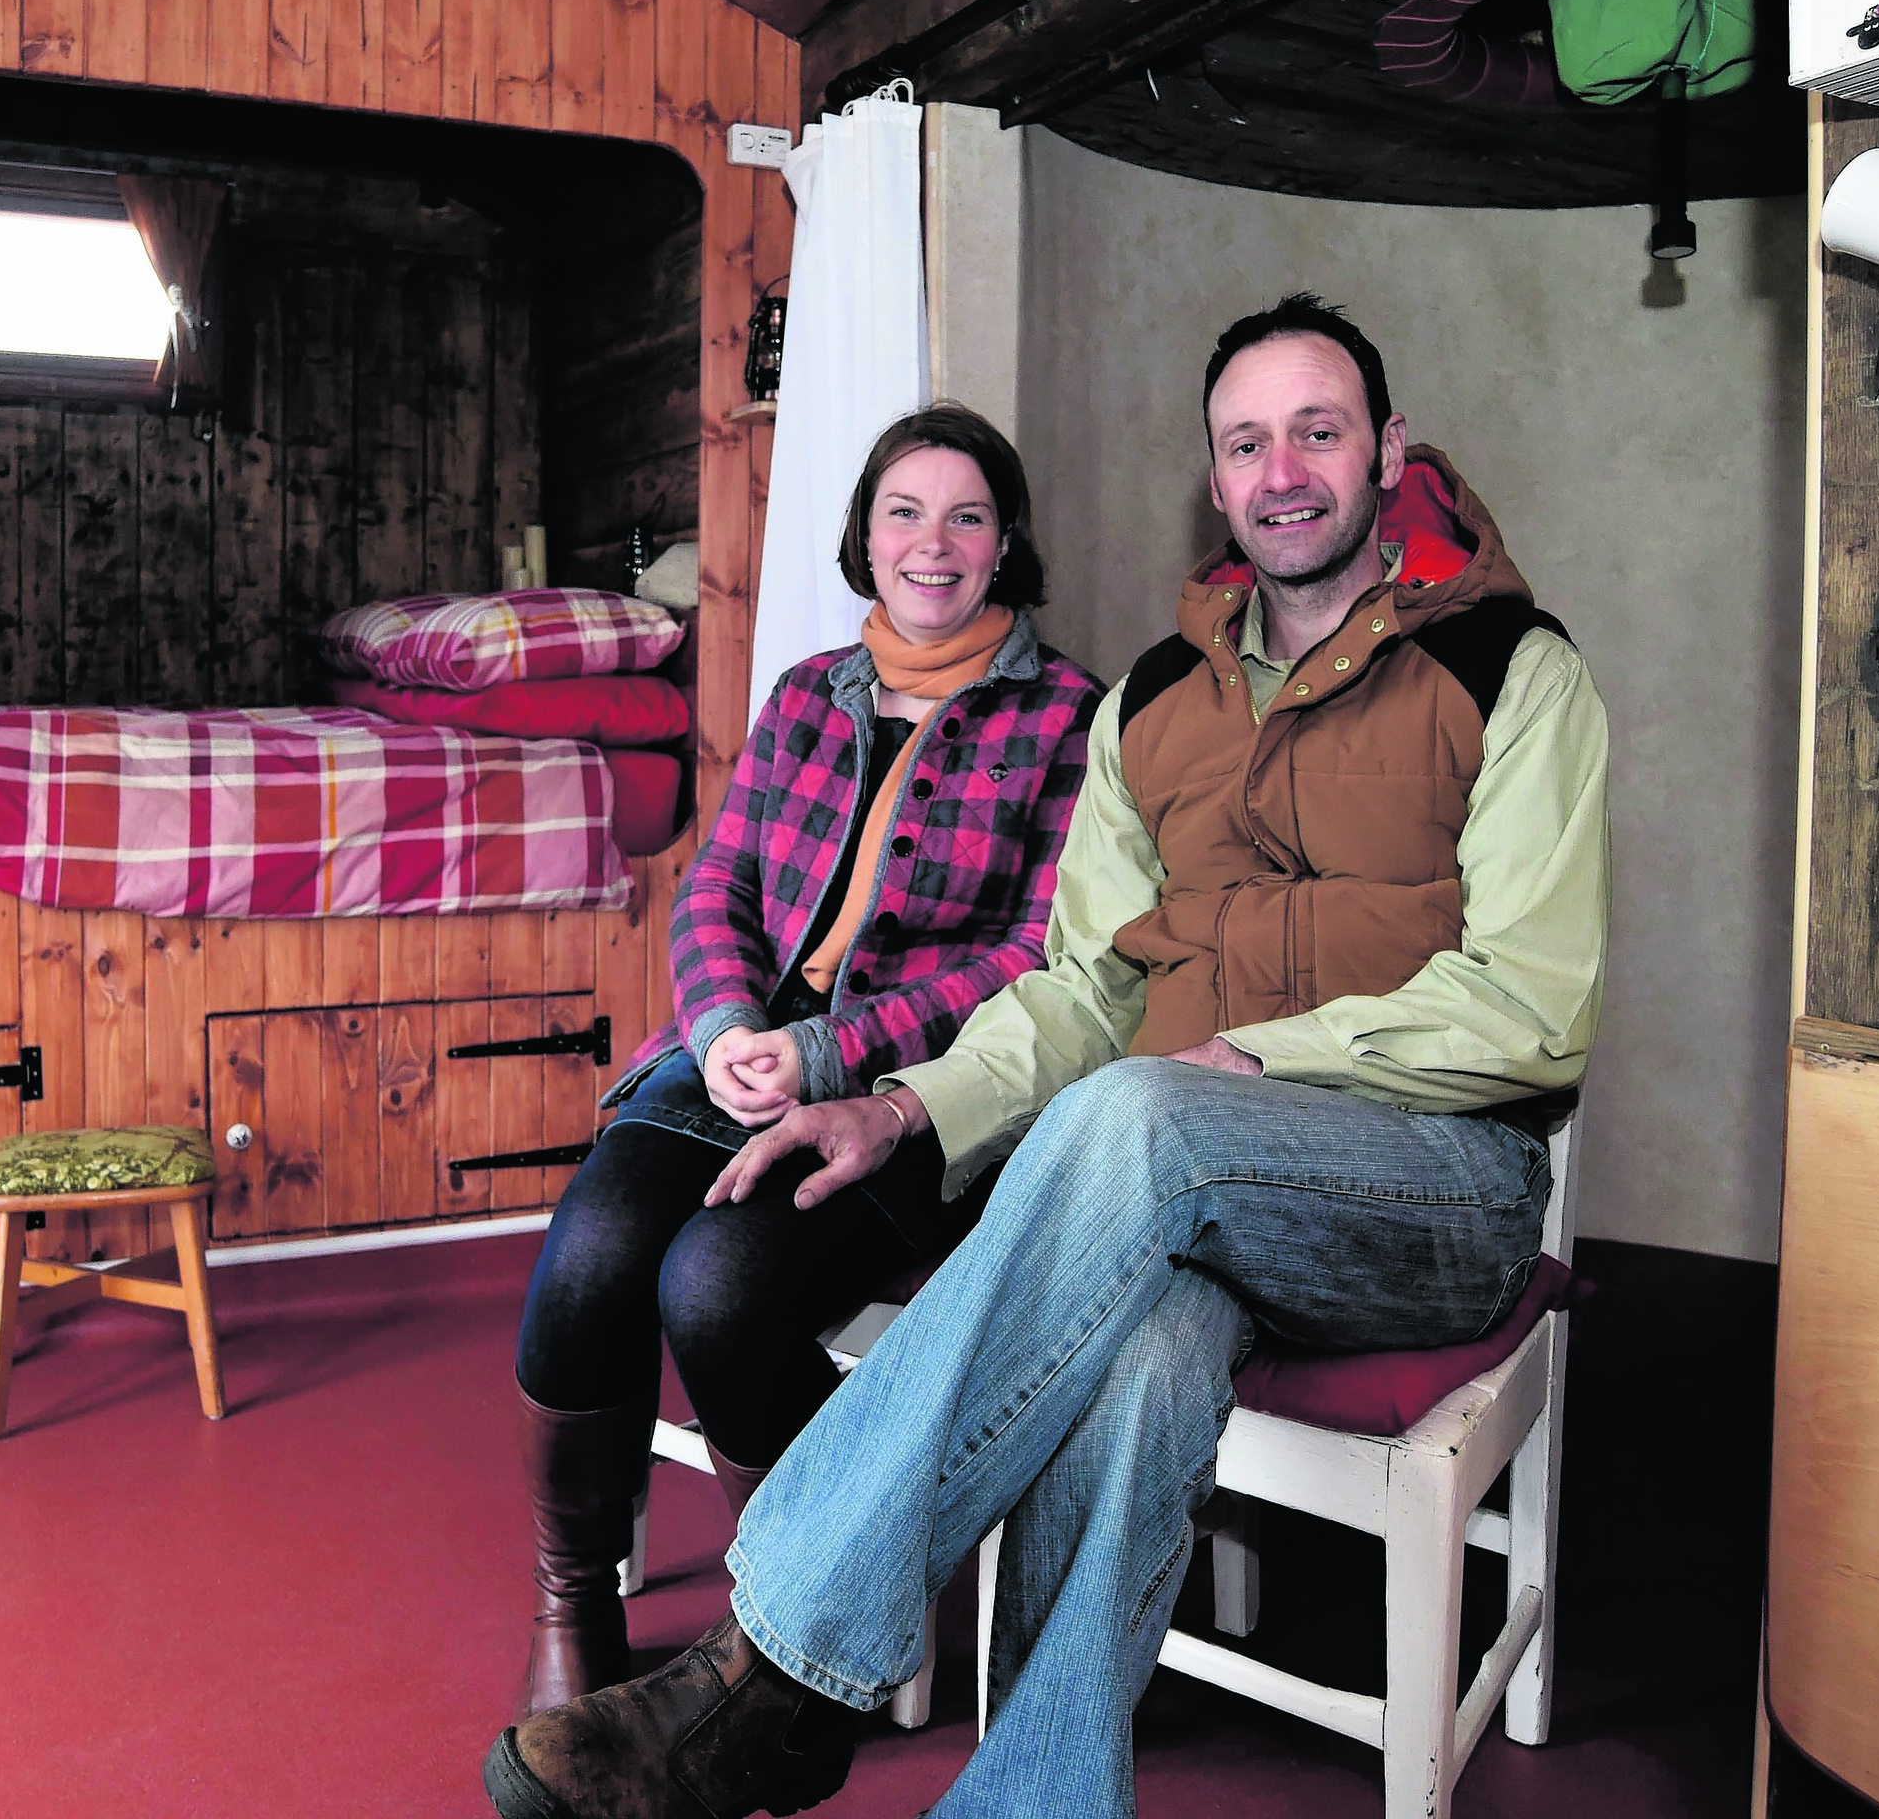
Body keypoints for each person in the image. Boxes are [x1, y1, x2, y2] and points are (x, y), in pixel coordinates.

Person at [484, 295, 1610, 1819]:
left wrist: (1258, 1072)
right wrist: (898, 1105)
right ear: (1213, 481)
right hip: (1193, 1183)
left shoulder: (1511, 671)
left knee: (1140, 1115)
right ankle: (1034, 1799)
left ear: (1386, 452)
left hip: (1430, 1193)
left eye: (1319, 431)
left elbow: (1533, 1005)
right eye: (1245, 441)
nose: (1282, 470)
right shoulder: (1155, 703)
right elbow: (1080, 986)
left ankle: (780, 1659)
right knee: (1144, 1350)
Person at [504, 403, 1105, 1717]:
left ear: (1006, 545)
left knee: (717, 1286)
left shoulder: (1072, 718)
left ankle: (791, 1622)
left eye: (965, 516)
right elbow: (716, 889)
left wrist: (836, 1049)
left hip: (904, 1101)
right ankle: (572, 1610)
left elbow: (1037, 955)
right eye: (903, 512)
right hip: (735, 1058)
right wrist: (726, 1034)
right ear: (865, 537)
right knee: (593, 1259)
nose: (930, 544)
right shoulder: (804, 696)